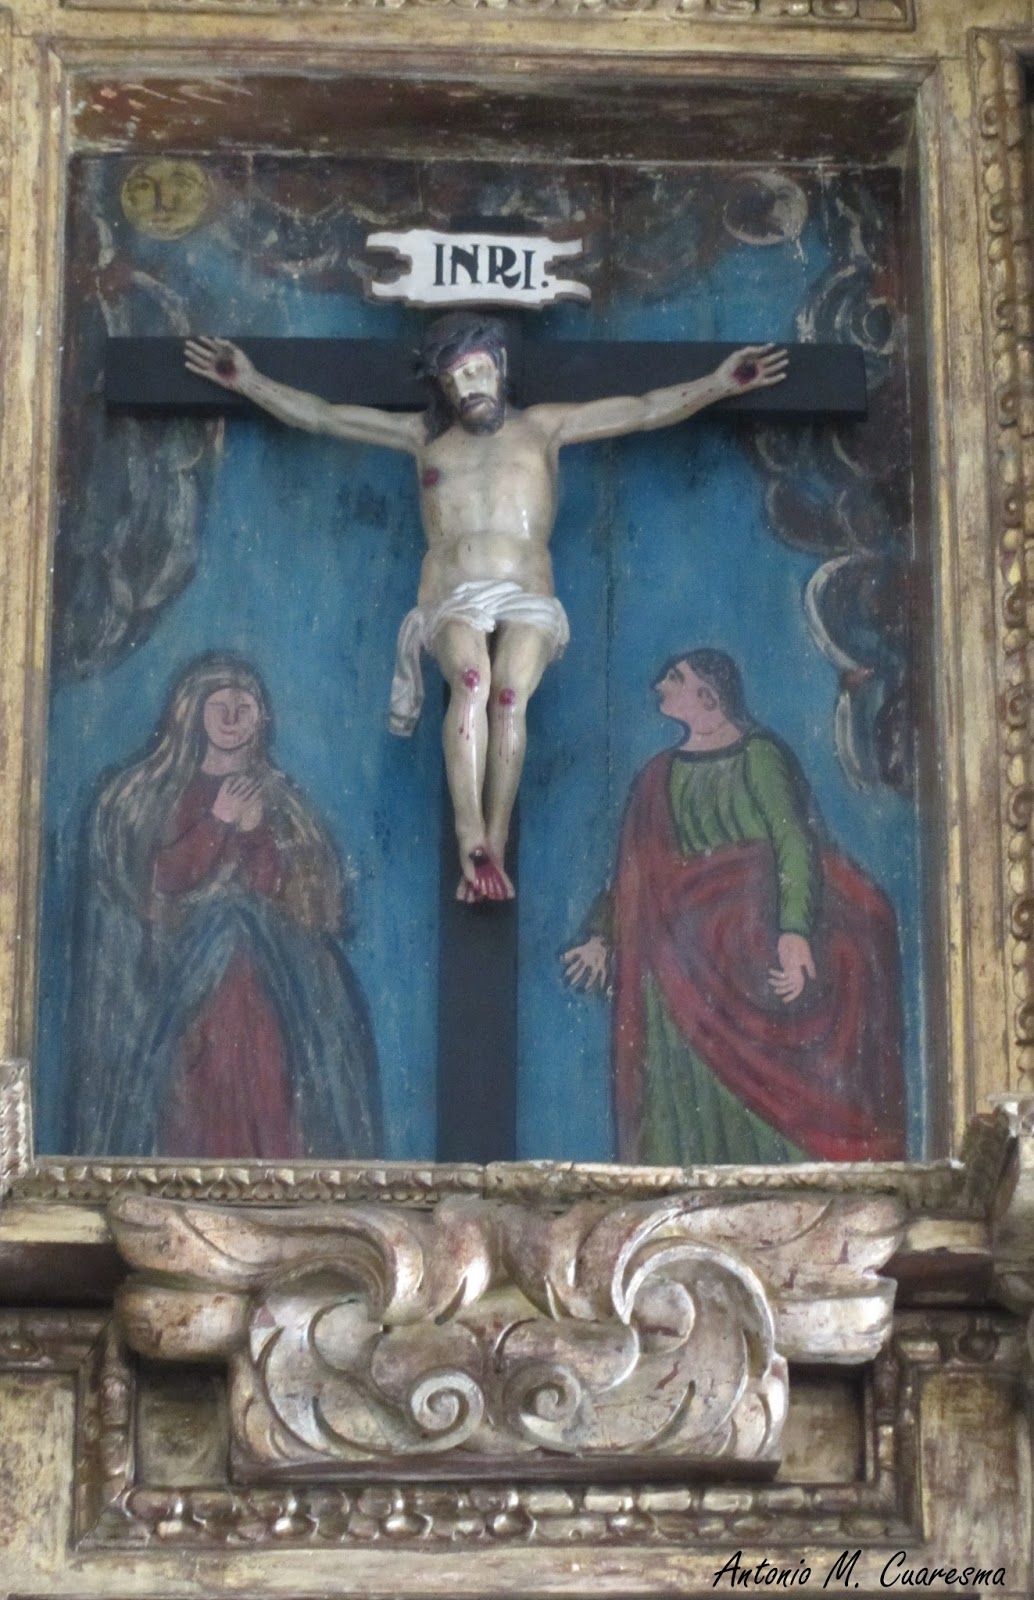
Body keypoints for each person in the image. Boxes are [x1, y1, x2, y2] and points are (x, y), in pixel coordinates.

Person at [185, 317, 787, 903]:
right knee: (471, 681)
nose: (467, 387)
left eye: (476, 371)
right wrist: (250, 382)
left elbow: (645, 409)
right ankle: (470, 834)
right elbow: (324, 415)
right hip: (454, 594)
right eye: (453, 380)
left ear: (499, 369)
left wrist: (718, 384)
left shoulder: (543, 428)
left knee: (509, 695)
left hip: (527, 592)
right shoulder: (424, 438)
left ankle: (494, 841)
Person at [563, 649, 906, 1165]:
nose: (660, 686)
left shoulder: (759, 756)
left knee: (771, 1106)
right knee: (688, 1116)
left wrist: (794, 932)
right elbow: (640, 875)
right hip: (681, 978)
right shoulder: (657, 777)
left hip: (752, 959)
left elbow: (794, 842)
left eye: (675, 678)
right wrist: (601, 934)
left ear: (709, 696)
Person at [64, 652, 382, 1159]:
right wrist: (218, 821)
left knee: (270, 1084)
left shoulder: (282, 803)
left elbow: (296, 897)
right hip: (188, 985)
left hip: (266, 984)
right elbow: (160, 882)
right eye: (220, 707)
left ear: (261, 717)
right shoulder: (156, 794)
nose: (232, 718)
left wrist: (255, 832)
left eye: (244, 707)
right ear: (193, 712)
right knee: (199, 1093)